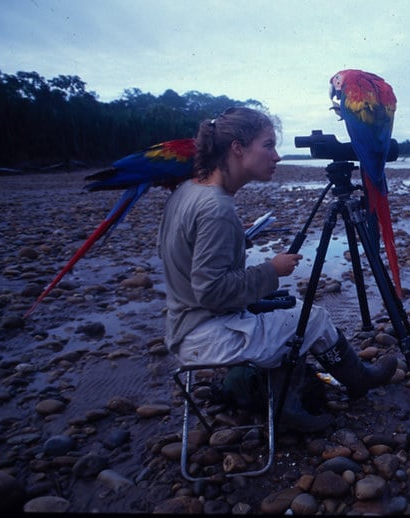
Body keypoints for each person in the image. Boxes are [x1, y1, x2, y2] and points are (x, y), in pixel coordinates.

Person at [158, 106, 397, 431]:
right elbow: (211, 292)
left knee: (293, 310)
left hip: (184, 325)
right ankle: (292, 406)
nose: (277, 156)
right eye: (268, 145)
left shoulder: (188, 192)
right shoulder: (216, 209)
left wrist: (235, 245)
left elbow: (185, 258)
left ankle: (355, 380)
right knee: (312, 317)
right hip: (204, 334)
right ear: (237, 148)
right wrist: (272, 269)